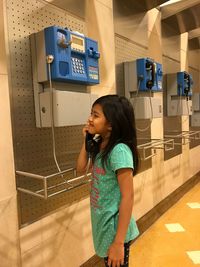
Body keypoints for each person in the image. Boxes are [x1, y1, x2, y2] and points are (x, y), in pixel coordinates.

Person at [76, 94, 139, 267]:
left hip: (116, 232)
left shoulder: (119, 150)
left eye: (96, 115)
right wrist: (86, 140)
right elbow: (81, 168)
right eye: (91, 114)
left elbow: (128, 196)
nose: (90, 119)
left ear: (111, 124)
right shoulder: (101, 145)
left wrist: (118, 243)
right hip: (104, 227)